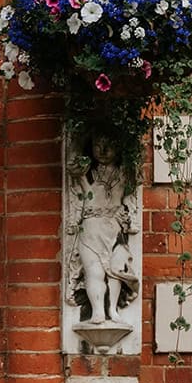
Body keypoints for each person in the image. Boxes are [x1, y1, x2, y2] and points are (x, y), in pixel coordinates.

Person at [70, 133, 138, 325]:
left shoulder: (123, 172)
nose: (103, 150)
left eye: (109, 145)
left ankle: (112, 310)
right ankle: (98, 311)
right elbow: (72, 163)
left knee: (116, 270)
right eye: (98, 145)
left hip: (114, 226)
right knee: (94, 270)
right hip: (92, 226)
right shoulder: (86, 171)